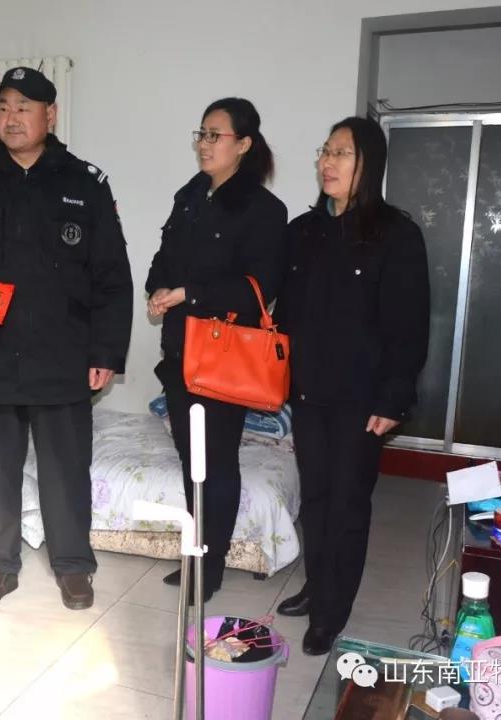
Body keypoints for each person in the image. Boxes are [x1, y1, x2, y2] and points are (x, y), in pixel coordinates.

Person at [0, 67, 133, 614]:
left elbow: (112, 277)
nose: (11, 117)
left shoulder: (85, 184)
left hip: (62, 356)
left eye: (24, 106)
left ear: (50, 115)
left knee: (66, 468)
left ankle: (73, 566)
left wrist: (105, 353)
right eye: (3, 107)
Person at [274, 116, 430, 656]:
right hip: (308, 391)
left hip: (362, 400)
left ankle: (330, 612)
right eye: (325, 151)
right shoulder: (303, 232)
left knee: (346, 504)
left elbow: (410, 325)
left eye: (341, 153)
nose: (327, 161)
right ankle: (318, 584)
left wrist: (394, 397)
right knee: (315, 498)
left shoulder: (396, 234)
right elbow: (279, 307)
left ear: (369, 163)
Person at [146, 97, 287, 602]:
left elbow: (260, 287)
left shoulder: (264, 210)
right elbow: (165, 256)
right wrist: (158, 289)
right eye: (201, 134)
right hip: (180, 350)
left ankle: (211, 566)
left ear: (243, 144)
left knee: (216, 462)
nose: (204, 144)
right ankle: (194, 555)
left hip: (223, 356)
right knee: (191, 461)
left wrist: (190, 294)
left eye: (215, 135)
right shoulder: (190, 195)